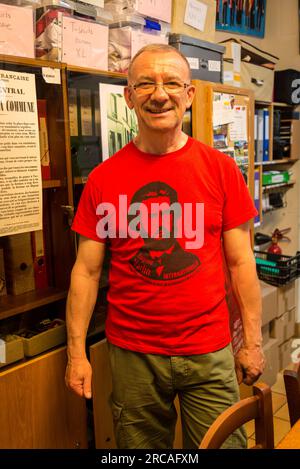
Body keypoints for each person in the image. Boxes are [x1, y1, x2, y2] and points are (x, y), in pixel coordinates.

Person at [65, 44, 265, 449]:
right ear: (129, 96)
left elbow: (242, 262)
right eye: (146, 84)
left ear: (189, 95)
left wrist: (253, 344)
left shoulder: (221, 170)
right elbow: (85, 272)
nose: (159, 94)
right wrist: (76, 354)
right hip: (133, 354)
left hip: (209, 348)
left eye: (172, 82)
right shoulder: (103, 179)